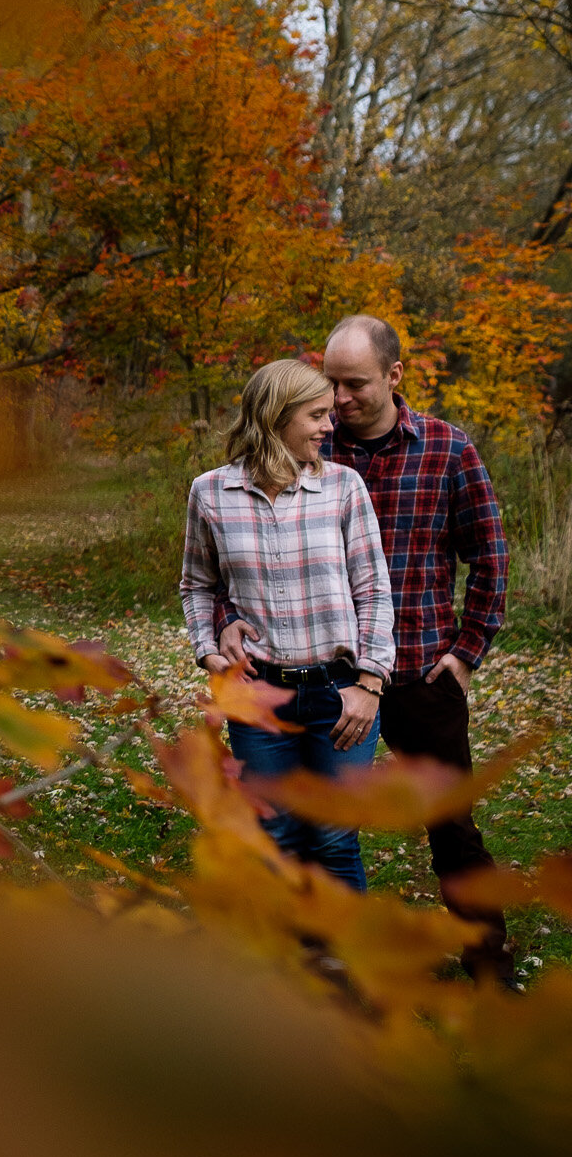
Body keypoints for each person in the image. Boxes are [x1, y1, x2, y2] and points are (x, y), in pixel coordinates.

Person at [215, 314, 514, 985]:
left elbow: (490, 559)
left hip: (417, 673)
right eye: (332, 384)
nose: (340, 401)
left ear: (394, 376)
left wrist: (464, 654)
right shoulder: (309, 442)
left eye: (355, 385)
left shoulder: (447, 450)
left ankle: (489, 963)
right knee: (317, 820)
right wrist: (230, 617)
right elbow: (245, 545)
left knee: (451, 825)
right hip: (319, 677)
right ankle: (321, 959)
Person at [181, 359, 395, 891]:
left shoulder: (343, 488)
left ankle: (344, 962)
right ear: (276, 419)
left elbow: (373, 590)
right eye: (317, 415)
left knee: (333, 837)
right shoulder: (210, 493)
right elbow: (198, 584)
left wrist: (369, 683)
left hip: (338, 692)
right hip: (258, 696)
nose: (330, 426)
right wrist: (209, 649)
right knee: (273, 834)